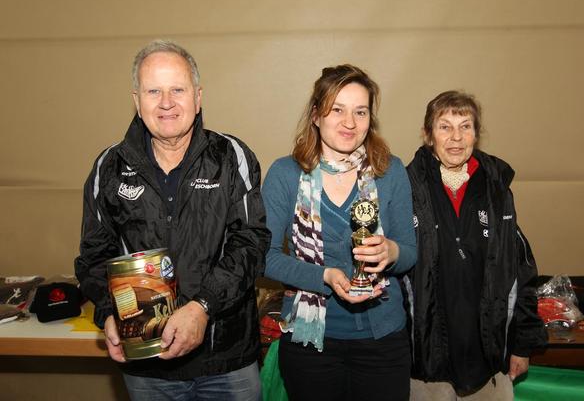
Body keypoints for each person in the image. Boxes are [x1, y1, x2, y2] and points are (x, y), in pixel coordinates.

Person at [74, 40, 270, 400]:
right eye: (154, 91)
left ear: (198, 97)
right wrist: (107, 312)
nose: (166, 103)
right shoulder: (108, 167)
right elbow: (94, 255)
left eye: (177, 89)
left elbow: (251, 244)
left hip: (226, 361)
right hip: (147, 365)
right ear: (137, 101)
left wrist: (203, 307)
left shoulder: (232, 157)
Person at [262, 64, 417, 401]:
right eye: (337, 110)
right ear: (316, 115)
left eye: (360, 111)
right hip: (309, 341)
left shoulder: (390, 171)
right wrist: (325, 276)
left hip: (383, 342)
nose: (350, 122)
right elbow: (265, 257)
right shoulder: (285, 174)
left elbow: (410, 251)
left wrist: (391, 252)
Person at [405, 90, 547, 400]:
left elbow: (520, 272)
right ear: (428, 134)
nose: (456, 137)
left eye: (465, 126)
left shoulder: (497, 190)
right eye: (444, 127)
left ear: (476, 134)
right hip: (425, 364)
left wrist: (522, 344)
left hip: (488, 361)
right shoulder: (405, 189)